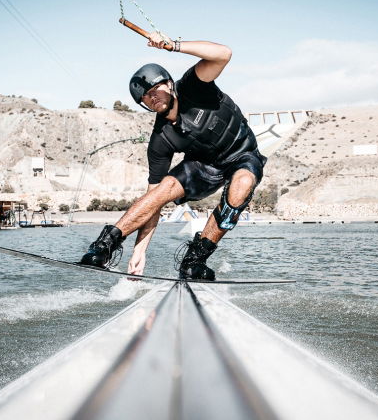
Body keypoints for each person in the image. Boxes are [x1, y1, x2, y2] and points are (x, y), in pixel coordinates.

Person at [80, 32, 266, 281]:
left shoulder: (193, 87)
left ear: (169, 84)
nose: (152, 97)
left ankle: (194, 261)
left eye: (155, 89)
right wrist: (140, 251)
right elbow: (152, 202)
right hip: (204, 168)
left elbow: (224, 54)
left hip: (242, 155)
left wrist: (173, 46)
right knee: (164, 186)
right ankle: (103, 247)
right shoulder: (161, 139)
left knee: (242, 185)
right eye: (146, 97)